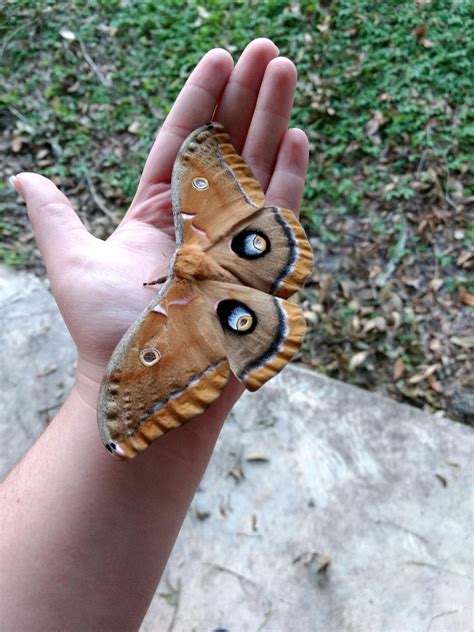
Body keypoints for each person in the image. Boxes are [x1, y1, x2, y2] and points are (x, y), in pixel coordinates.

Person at [1, 38, 308, 630]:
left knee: (244, 287)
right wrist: (107, 387)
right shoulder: (169, 294)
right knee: (253, 271)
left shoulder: (174, 286)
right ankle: (257, 281)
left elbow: (205, 159)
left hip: (211, 271)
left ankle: (253, 297)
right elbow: (130, 382)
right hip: (232, 252)